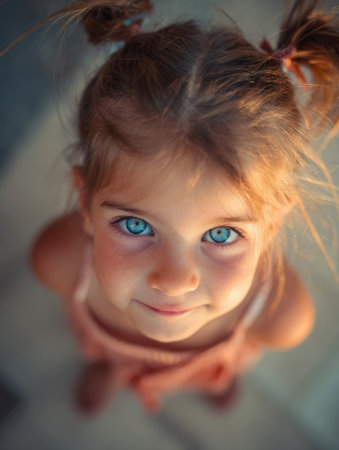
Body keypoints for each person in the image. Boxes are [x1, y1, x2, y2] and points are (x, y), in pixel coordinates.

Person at [29, 0, 338, 414]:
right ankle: (111, 366)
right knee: (106, 355)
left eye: (221, 234)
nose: (174, 282)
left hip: (219, 355)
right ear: (85, 202)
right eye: (135, 226)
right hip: (110, 347)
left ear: (271, 223)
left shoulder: (280, 316)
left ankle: (213, 376)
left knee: (218, 373)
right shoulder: (60, 261)